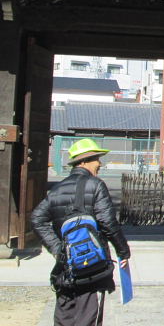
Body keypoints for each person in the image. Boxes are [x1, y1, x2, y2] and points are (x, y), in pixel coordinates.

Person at [32, 138, 130, 326]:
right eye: (97, 159)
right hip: (93, 266)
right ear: (84, 161)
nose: (99, 163)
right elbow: (107, 222)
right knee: (89, 317)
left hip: (66, 268)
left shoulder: (57, 189)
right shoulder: (96, 185)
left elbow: (37, 219)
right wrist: (123, 251)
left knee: (65, 317)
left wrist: (58, 249)